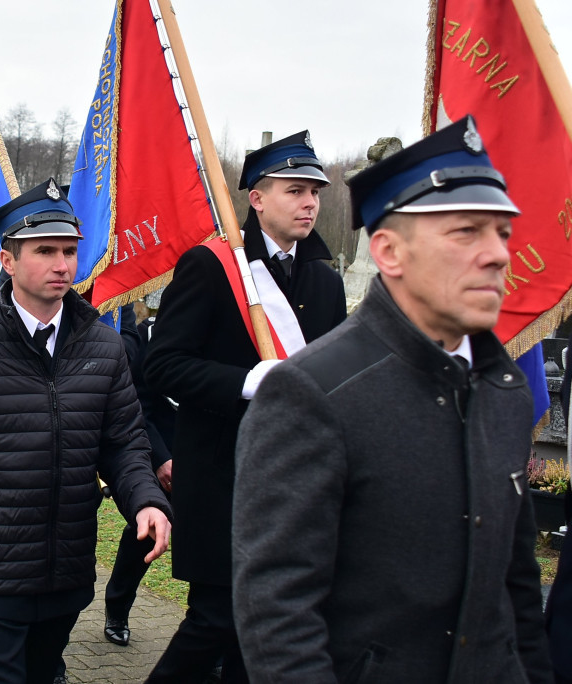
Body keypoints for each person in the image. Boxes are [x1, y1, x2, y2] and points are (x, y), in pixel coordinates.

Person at [232, 116, 553, 683]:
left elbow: (517, 585)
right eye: (465, 233)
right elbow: (277, 611)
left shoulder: (505, 388)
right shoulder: (310, 394)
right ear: (388, 251)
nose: (498, 256)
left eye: (502, 233)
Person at [0, 178, 172, 684]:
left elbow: (124, 443)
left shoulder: (104, 348)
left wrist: (146, 500)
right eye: (45, 251)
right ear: (10, 261)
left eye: (69, 250)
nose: (63, 264)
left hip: (67, 568)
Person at [144, 131, 346, 683]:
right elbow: (163, 365)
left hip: (297, 479)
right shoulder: (212, 267)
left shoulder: (326, 281)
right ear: (256, 198)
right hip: (225, 476)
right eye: (295, 190)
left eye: (315, 192)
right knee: (216, 618)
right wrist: (248, 380)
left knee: (260, 631)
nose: (309, 203)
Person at [102, 312, 176, 648]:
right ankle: (118, 603)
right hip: (160, 446)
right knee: (145, 533)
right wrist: (160, 458)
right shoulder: (151, 334)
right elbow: (139, 402)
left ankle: (211, 632)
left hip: (210, 453)